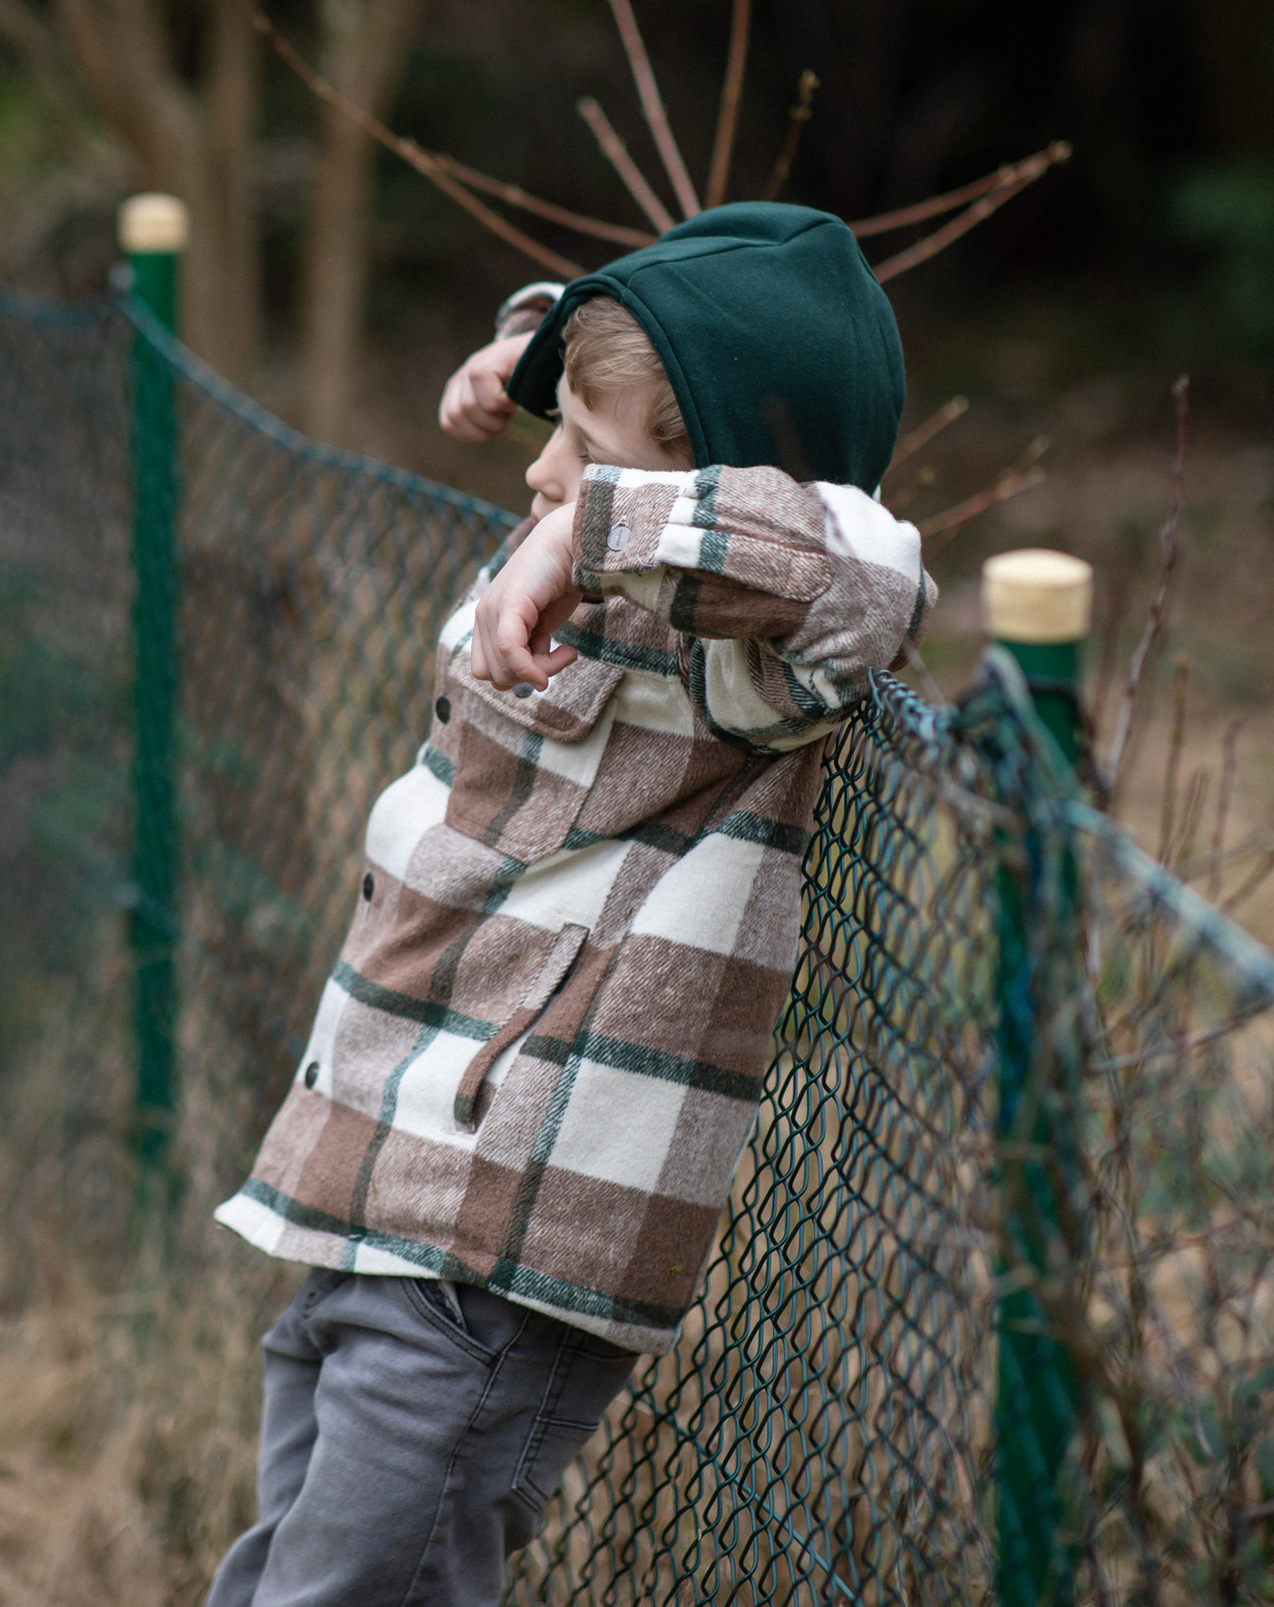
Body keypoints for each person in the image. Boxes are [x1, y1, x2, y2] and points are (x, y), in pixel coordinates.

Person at [205, 203, 935, 1607]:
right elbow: (661, 368)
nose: (544, 485)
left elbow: (865, 563)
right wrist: (537, 344)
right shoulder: (601, 556)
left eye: (585, 464)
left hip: (496, 1242)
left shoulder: (742, 667)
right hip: (365, 1182)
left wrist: (587, 523)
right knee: (281, 1576)